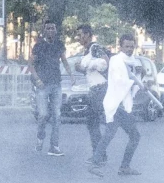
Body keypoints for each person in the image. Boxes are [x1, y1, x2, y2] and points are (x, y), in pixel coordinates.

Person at [88, 33, 143, 177]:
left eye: (132, 46)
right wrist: (134, 81)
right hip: (115, 104)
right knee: (112, 135)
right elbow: (119, 81)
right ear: (120, 47)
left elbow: (134, 84)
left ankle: (123, 167)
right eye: (127, 46)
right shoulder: (116, 60)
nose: (129, 49)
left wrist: (140, 81)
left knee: (131, 136)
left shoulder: (133, 62)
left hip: (124, 105)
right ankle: (97, 164)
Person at [29, 21, 70, 156]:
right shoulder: (39, 46)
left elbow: (64, 60)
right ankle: (40, 137)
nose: (51, 30)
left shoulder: (59, 45)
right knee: (43, 115)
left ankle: (54, 146)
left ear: (56, 30)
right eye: (48, 28)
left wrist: (71, 75)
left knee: (57, 115)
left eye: (53, 28)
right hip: (43, 85)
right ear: (44, 31)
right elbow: (31, 64)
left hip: (56, 84)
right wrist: (37, 79)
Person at [74, 23, 109, 155]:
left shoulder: (95, 47)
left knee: (93, 123)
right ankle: (99, 154)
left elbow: (105, 63)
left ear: (87, 35)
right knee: (93, 123)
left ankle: (99, 155)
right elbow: (89, 71)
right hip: (95, 89)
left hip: (100, 88)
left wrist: (86, 65)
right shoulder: (87, 50)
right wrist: (81, 68)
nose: (78, 38)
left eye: (80, 35)